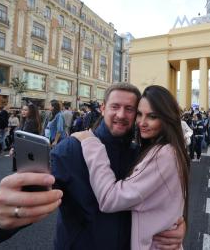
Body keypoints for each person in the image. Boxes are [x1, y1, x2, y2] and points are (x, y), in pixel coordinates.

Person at [0, 83, 185, 249]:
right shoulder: (73, 148)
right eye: (115, 107)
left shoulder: (141, 153)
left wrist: (175, 224)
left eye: (130, 109)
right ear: (103, 109)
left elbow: (162, 198)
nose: (121, 114)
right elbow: (33, 191)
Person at [73, 85, 189, 249]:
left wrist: (91, 143)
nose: (142, 122)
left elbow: (109, 199)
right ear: (103, 108)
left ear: (167, 118)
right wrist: (177, 222)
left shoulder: (163, 154)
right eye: (139, 114)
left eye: (152, 116)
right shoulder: (169, 150)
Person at [10, 103, 42, 171]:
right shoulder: (25, 120)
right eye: (22, 110)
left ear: (31, 111)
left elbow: (22, 138)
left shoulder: (31, 122)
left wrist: (13, 148)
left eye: (26, 110)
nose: (23, 111)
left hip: (25, 151)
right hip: (23, 150)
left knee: (23, 172)